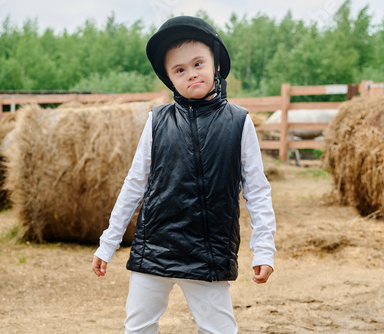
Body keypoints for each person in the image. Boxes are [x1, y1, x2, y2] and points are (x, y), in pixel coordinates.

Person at [92, 16, 277, 333]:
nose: (191, 73)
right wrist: (107, 243)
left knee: (219, 330)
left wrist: (264, 249)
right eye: (179, 70)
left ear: (216, 64)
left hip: (208, 252)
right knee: (138, 327)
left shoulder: (239, 122)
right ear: (169, 78)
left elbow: (257, 191)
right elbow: (135, 184)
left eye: (198, 63)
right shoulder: (157, 121)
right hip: (155, 249)